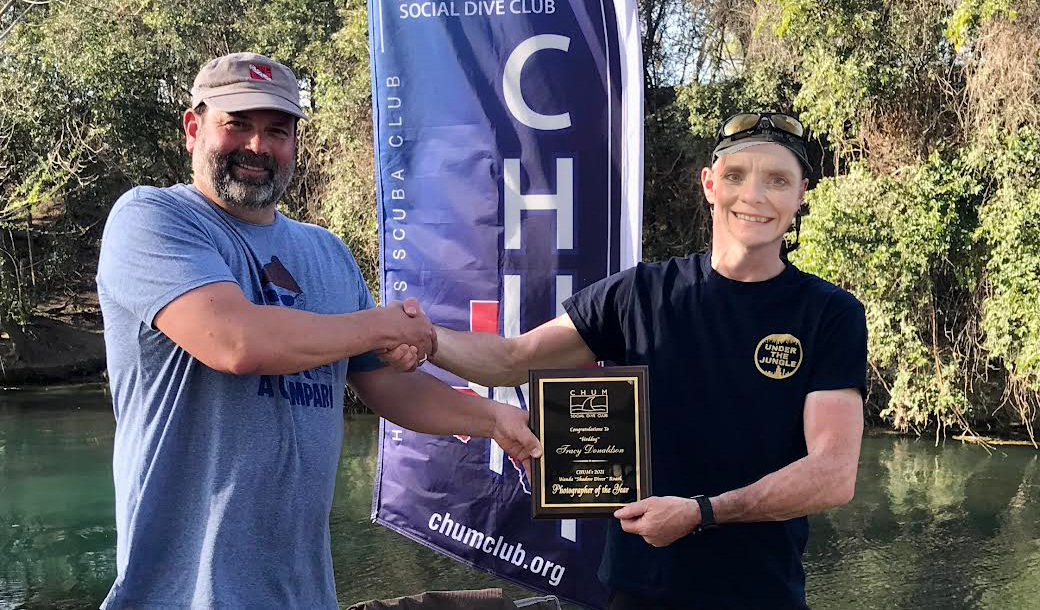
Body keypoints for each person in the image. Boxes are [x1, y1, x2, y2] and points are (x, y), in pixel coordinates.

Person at [96, 52, 540, 610]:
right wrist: (378, 325)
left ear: (294, 144)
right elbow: (236, 342)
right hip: (180, 596)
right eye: (237, 124)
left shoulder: (326, 252)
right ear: (193, 128)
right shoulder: (151, 219)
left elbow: (387, 384)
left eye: (277, 132)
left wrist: (493, 419)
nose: (257, 146)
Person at [427, 111, 867, 610]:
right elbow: (511, 359)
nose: (754, 195)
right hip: (638, 593)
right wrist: (423, 338)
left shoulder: (830, 314)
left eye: (778, 180)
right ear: (710, 184)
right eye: (736, 175)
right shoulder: (638, 294)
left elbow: (832, 473)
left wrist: (701, 513)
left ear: (801, 194)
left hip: (763, 594)